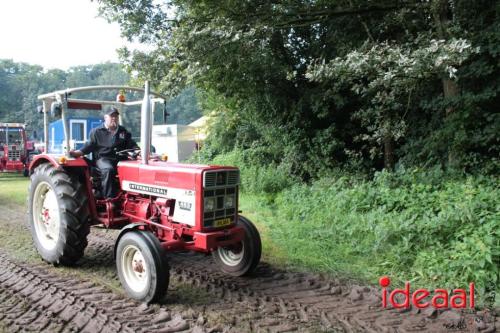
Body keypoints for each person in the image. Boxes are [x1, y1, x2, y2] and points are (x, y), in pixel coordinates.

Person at [69, 107, 138, 199]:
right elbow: (89, 146)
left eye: (116, 116)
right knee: (108, 169)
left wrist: (138, 151)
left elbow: (132, 144)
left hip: (121, 159)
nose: (114, 118)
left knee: (134, 168)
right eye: (111, 116)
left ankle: (132, 196)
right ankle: (109, 198)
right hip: (103, 159)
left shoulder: (123, 131)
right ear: (105, 117)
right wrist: (78, 153)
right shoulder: (97, 132)